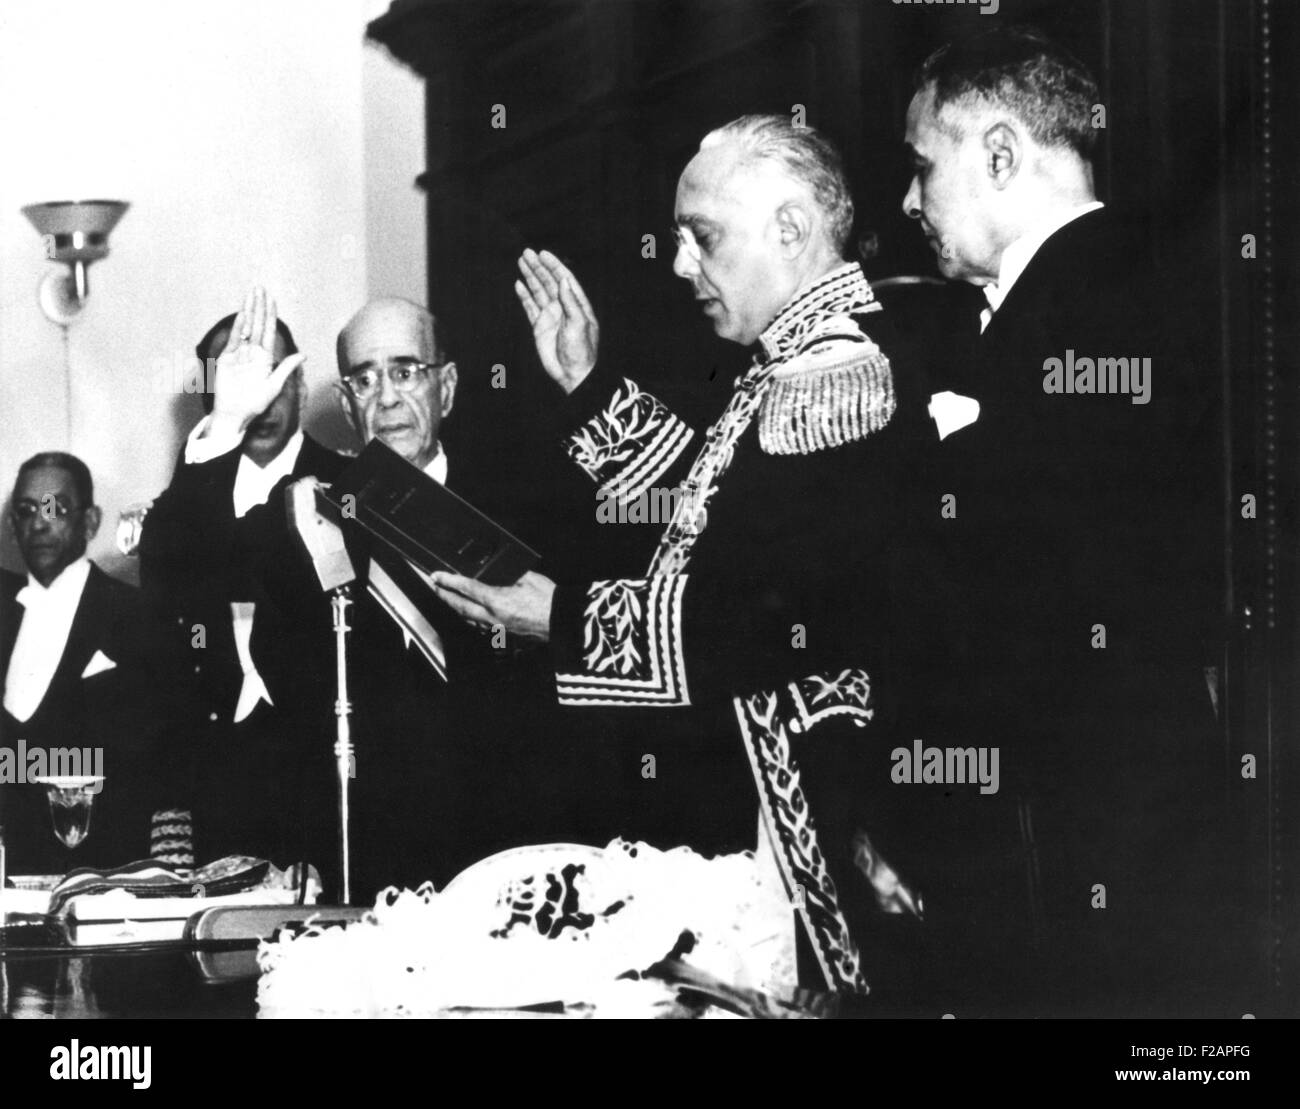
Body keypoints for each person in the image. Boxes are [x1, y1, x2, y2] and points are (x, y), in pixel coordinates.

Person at [431, 115, 935, 1005]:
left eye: (701, 237)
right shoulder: (790, 363)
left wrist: (562, 616)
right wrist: (588, 387)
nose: (677, 264)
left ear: (790, 228)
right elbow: (714, 507)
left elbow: (762, 613)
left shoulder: (832, 374)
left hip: (808, 824)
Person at [900, 26, 1224, 1015]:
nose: (907, 201)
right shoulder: (1076, 293)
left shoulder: (1110, 290)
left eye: (921, 167)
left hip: (1107, 832)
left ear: (999, 153)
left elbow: (1035, 557)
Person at [160, 288, 545, 901]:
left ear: (445, 387)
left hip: (505, 868)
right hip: (359, 873)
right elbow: (179, 560)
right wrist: (226, 423)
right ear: (344, 402)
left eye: (405, 372)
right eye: (364, 380)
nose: (386, 396)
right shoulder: (309, 510)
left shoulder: (521, 507)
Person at [139, 312, 340, 867]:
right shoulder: (183, 505)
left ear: (298, 383)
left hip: (332, 780)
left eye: (274, 375)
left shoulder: (350, 489)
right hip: (215, 790)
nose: (263, 398)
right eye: (241, 378)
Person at [1, 453, 186, 874]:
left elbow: (157, 763)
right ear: (13, 526)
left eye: (57, 508)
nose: (40, 523)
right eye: (27, 510)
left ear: (90, 522)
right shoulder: (4, 615)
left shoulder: (138, 615)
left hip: (109, 883)